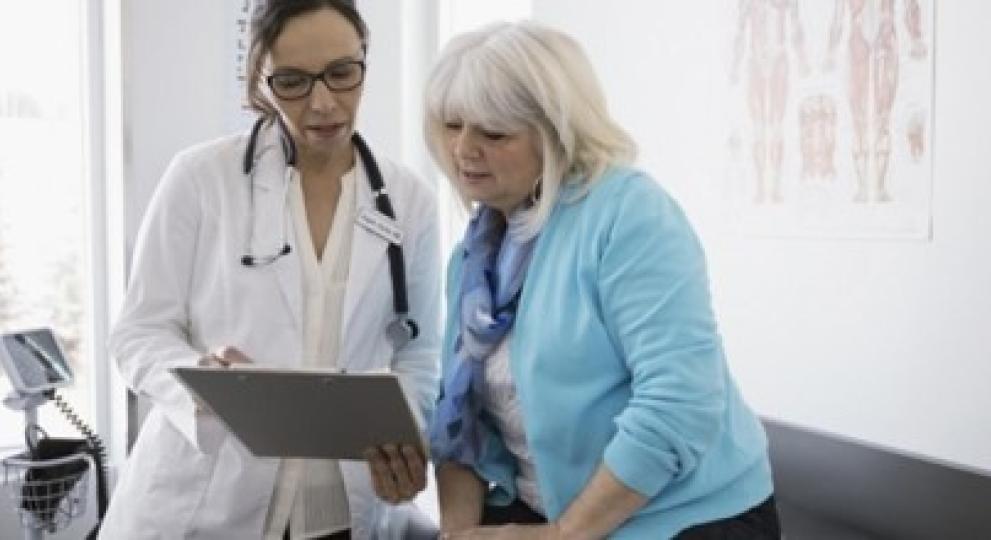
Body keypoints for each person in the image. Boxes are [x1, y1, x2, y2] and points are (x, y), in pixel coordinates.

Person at [424, 21, 780, 539]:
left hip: (678, 518)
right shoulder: (473, 258)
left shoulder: (628, 214)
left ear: (556, 134)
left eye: (494, 132)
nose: (464, 149)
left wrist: (562, 536)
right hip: (547, 513)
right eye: (452, 125)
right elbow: (462, 422)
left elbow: (678, 403)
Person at [99, 1, 440, 538]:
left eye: (342, 74)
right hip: (205, 502)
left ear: (364, 63)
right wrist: (198, 380)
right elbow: (138, 333)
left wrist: (407, 435)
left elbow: (419, 348)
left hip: (338, 509)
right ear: (259, 78)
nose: (323, 102)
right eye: (292, 82)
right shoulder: (200, 179)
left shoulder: (408, 200)